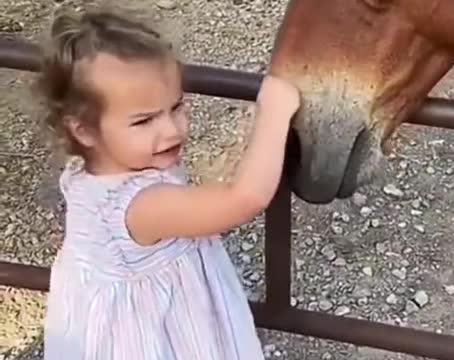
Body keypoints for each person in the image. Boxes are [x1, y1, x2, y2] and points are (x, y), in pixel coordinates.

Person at [38, 7, 300, 360]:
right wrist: (276, 111)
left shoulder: (92, 173)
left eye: (176, 107)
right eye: (144, 121)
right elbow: (246, 198)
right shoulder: (141, 205)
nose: (172, 130)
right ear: (83, 129)